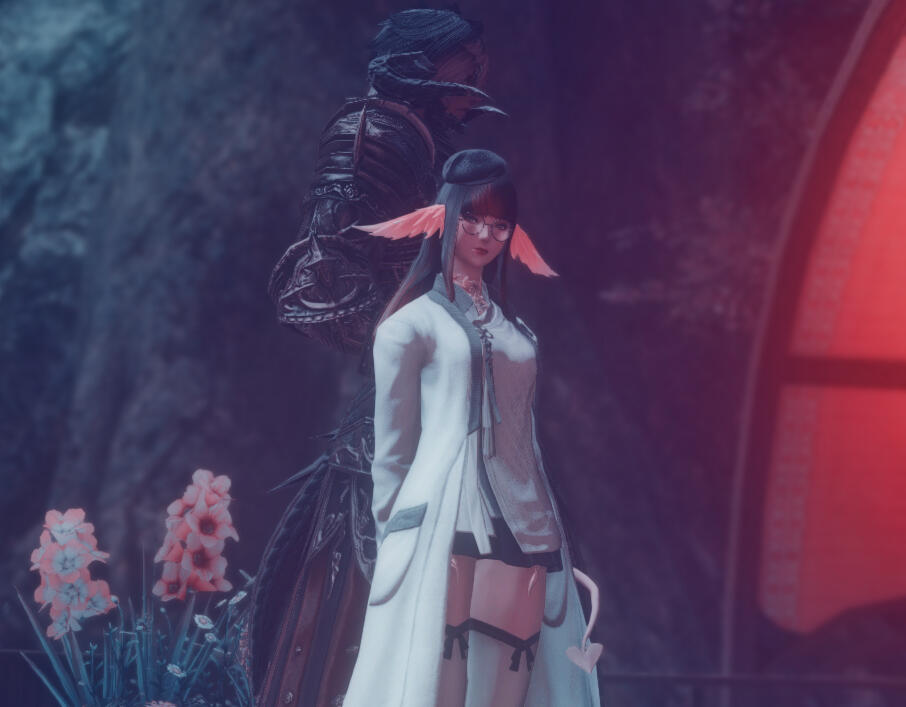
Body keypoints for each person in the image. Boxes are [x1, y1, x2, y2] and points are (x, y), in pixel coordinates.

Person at [250, 9, 503, 707]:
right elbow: (318, 277)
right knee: (358, 583)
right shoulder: (373, 136)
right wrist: (405, 340)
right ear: (422, 63)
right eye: (463, 64)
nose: (476, 80)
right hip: (397, 410)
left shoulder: (414, 138)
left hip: (446, 399)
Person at [343, 149, 602, 706]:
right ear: (444, 217)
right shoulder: (409, 327)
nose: (486, 234)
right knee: (439, 680)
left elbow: (526, 436)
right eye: (472, 218)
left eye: (500, 224)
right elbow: (393, 451)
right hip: (442, 520)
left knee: (511, 680)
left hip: (527, 521)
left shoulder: (518, 332)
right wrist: (394, 544)